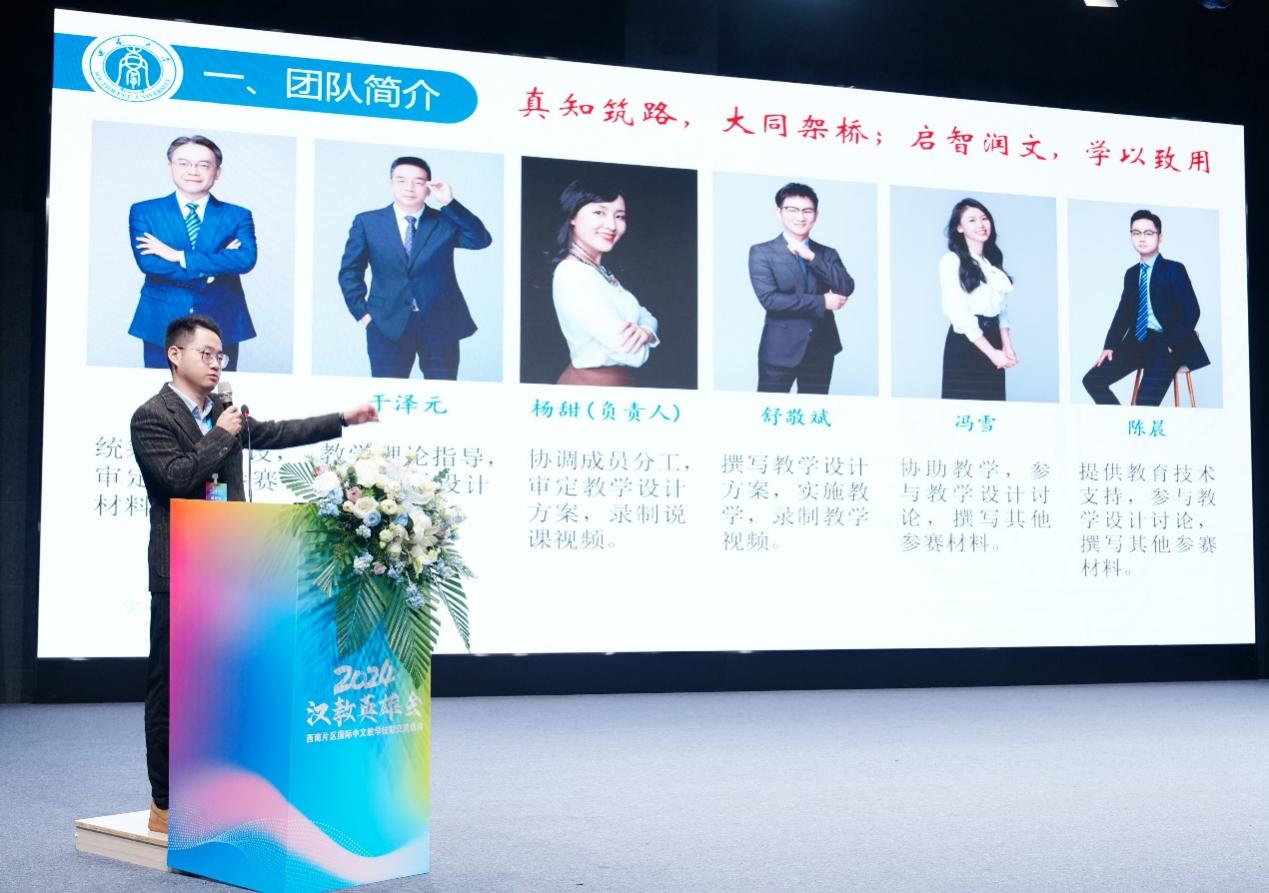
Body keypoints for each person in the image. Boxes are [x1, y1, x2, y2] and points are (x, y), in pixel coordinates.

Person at [130, 314, 378, 835]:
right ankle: (164, 802)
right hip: (180, 575)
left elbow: (276, 433)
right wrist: (220, 435)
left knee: (227, 688)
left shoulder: (226, 413)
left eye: (221, 356)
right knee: (171, 691)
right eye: (206, 354)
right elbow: (175, 478)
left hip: (232, 569)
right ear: (175, 355)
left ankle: (219, 792)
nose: (217, 364)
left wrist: (341, 419)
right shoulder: (151, 416)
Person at [339, 156, 492, 379]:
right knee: (389, 394)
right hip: (386, 323)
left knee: (443, 392)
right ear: (391, 184)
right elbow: (350, 271)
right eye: (401, 180)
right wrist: (362, 314)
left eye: (418, 182)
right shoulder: (367, 222)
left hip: (441, 322)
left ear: (428, 188)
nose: (409, 188)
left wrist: (450, 202)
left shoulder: (445, 221)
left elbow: (481, 240)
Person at [128, 135, 257, 371]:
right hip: (162, 319)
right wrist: (215, 266)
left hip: (222, 320)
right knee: (161, 391)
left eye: (203, 165)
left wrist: (179, 256)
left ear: (217, 172)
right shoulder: (144, 212)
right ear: (170, 167)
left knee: (219, 392)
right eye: (184, 163)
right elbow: (149, 263)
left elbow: (245, 260)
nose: (193, 171)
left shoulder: (237, 215)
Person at [1081, 209, 1209, 405]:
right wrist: (1110, 345)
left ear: (1160, 237)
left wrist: (1171, 343)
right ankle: (1120, 421)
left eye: (1148, 233)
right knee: (1092, 381)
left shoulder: (1174, 269)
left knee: (1144, 404)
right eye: (1136, 233)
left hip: (1167, 343)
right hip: (1138, 342)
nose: (1141, 238)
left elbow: (1192, 311)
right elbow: (1123, 313)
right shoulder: (1131, 274)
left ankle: (1134, 423)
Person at [747, 182, 855, 393]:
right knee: (770, 409)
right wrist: (822, 302)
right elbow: (770, 300)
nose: (800, 217)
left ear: (816, 215)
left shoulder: (827, 253)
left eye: (807, 211)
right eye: (792, 210)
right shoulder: (762, 252)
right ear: (779, 212)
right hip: (779, 350)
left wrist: (812, 257)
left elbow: (846, 286)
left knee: (814, 408)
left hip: (822, 347)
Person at [551, 179, 659, 386]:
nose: (611, 225)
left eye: (619, 216)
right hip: (591, 385)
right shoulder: (573, 275)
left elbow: (647, 315)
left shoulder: (598, 271)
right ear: (572, 216)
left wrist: (646, 332)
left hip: (615, 382)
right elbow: (633, 355)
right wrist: (648, 335)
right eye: (599, 212)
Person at [940, 198, 1016, 401]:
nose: (981, 224)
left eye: (984, 218)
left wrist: (1006, 344)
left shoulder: (991, 262)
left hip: (993, 338)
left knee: (993, 408)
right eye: (972, 220)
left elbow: (1001, 308)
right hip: (967, 342)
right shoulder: (951, 261)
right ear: (959, 227)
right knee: (964, 408)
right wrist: (993, 354)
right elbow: (958, 314)